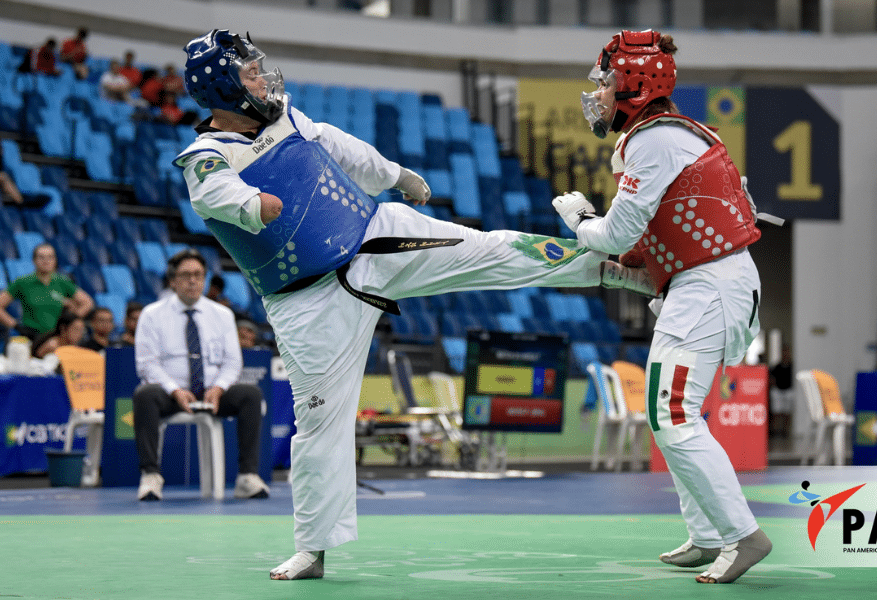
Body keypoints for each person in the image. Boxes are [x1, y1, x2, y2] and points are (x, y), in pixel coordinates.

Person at [174, 29, 652, 581]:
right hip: (308, 303)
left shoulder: (288, 116)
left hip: (379, 239)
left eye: (259, 68)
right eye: (250, 72)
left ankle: (613, 270)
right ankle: (313, 548)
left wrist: (396, 176)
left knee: (494, 249)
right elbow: (215, 195)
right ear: (222, 88)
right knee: (320, 423)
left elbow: (337, 144)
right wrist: (252, 203)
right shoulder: (203, 156)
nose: (263, 77)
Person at [555, 30, 772, 584]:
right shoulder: (671, 138)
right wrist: (619, 268)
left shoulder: (653, 140)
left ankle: (743, 536)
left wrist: (581, 221)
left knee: (672, 414)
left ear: (632, 83)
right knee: (676, 414)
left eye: (605, 82)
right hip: (707, 285)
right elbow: (651, 249)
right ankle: (706, 535)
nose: (597, 94)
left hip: (708, 288)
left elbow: (616, 230)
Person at [133, 248, 269, 501]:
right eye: (185, 275)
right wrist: (175, 389)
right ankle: (151, 476)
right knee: (144, 394)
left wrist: (218, 388)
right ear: (173, 281)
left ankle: (247, 476)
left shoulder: (223, 315)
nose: (193, 280)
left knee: (251, 395)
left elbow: (232, 363)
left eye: (198, 274)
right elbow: (146, 364)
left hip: (211, 392)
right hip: (170, 393)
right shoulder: (152, 315)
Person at [0, 243, 94, 339]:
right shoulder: (23, 282)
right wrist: (17, 326)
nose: (46, 261)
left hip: (56, 338)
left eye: (50, 257)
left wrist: (70, 321)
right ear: (34, 261)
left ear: (55, 260)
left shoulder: (62, 282)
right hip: (31, 336)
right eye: (41, 257)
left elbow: (87, 302)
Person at [769, 345, 794, 439]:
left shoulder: (792, 366)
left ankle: (785, 431)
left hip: (789, 391)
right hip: (778, 391)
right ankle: (775, 430)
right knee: (776, 412)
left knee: (787, 412)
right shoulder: (777, 366)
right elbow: (772, 378)